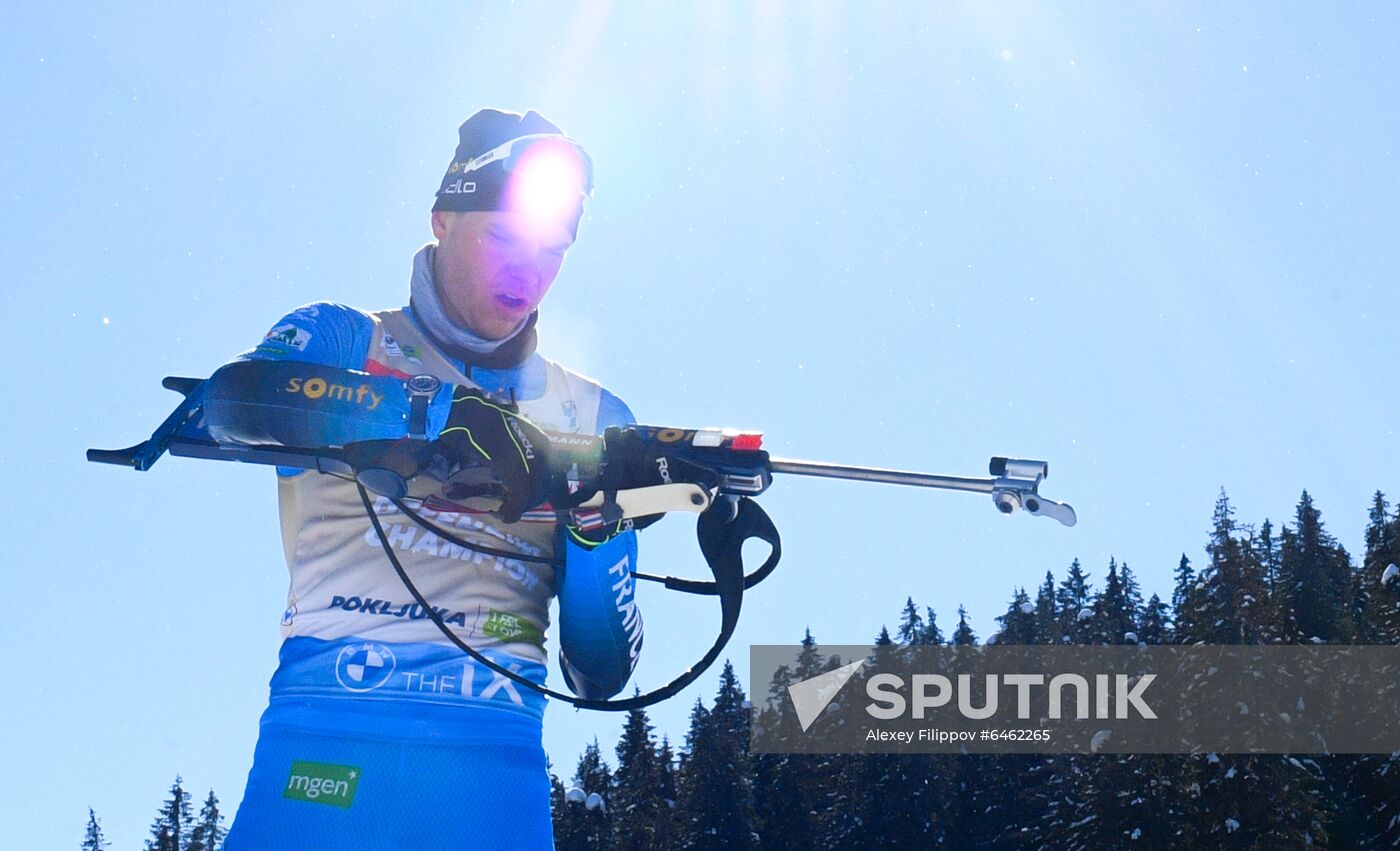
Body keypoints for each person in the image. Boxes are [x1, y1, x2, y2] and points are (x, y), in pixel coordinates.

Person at [202, 108, 646, 849]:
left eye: (551, 248)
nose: (526, 270)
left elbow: (601, 671)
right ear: (442, 217)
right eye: (502, 236)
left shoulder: (594, 412)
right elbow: (236, 399)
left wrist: (600, 527)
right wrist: (439, 415)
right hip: (321, 741)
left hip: (488, 770)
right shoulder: (347, 339)